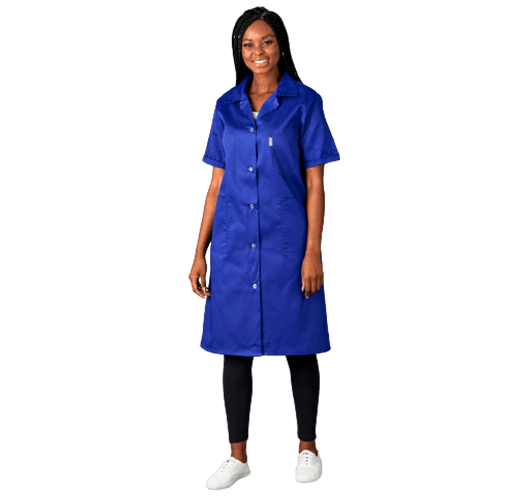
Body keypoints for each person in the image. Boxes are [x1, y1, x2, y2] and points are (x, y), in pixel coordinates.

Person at [188, 7, 340, 490]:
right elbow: (216, 184)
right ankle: (238, 458)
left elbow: (315, 183)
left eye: (267, 41)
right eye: (249, 43)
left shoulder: (305, 102)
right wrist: (198, 252)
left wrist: (312, 250)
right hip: (233, 247)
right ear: (240, 51)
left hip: (288, 244)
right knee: (233, 350)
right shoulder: (226, 106)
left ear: (281, 46)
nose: (258, 51)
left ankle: (308, 449)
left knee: (300, 344)